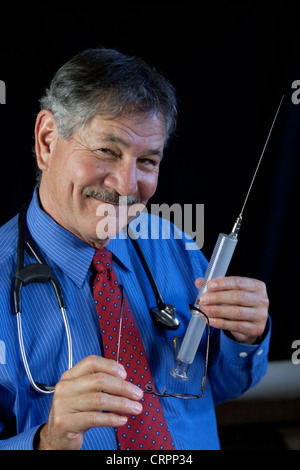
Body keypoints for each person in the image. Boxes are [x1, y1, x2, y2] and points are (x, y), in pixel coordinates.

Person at [0, 48, 270, 450]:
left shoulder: (174, 246)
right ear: (46, 141)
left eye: (146, 160)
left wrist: (247, 336)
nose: (127, 187)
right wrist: (47, 441)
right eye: (107, 151)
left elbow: (223, 385)